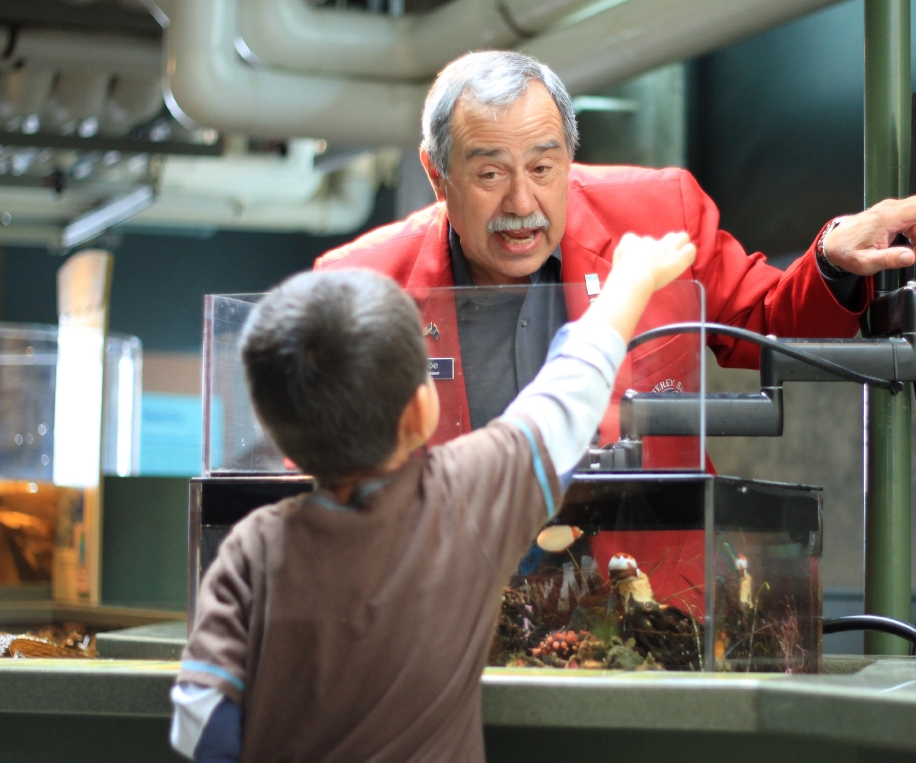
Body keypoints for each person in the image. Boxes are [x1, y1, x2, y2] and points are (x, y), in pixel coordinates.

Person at [169, 231, 697, 762]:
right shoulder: (461, 497)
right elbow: (569, 392)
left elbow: (200, 717)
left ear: (280, 436)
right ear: (422, 411)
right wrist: (632, 277)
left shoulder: (253, 549)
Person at [316, 50, 916, 454]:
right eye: (490, 175)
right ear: (439, 176)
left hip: (643, 597)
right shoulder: (357, 284)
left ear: (569, 156)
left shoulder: (660, 212)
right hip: (453, 606)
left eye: (544, 169)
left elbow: (769, 323)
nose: (522, 203)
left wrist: (831, 256)